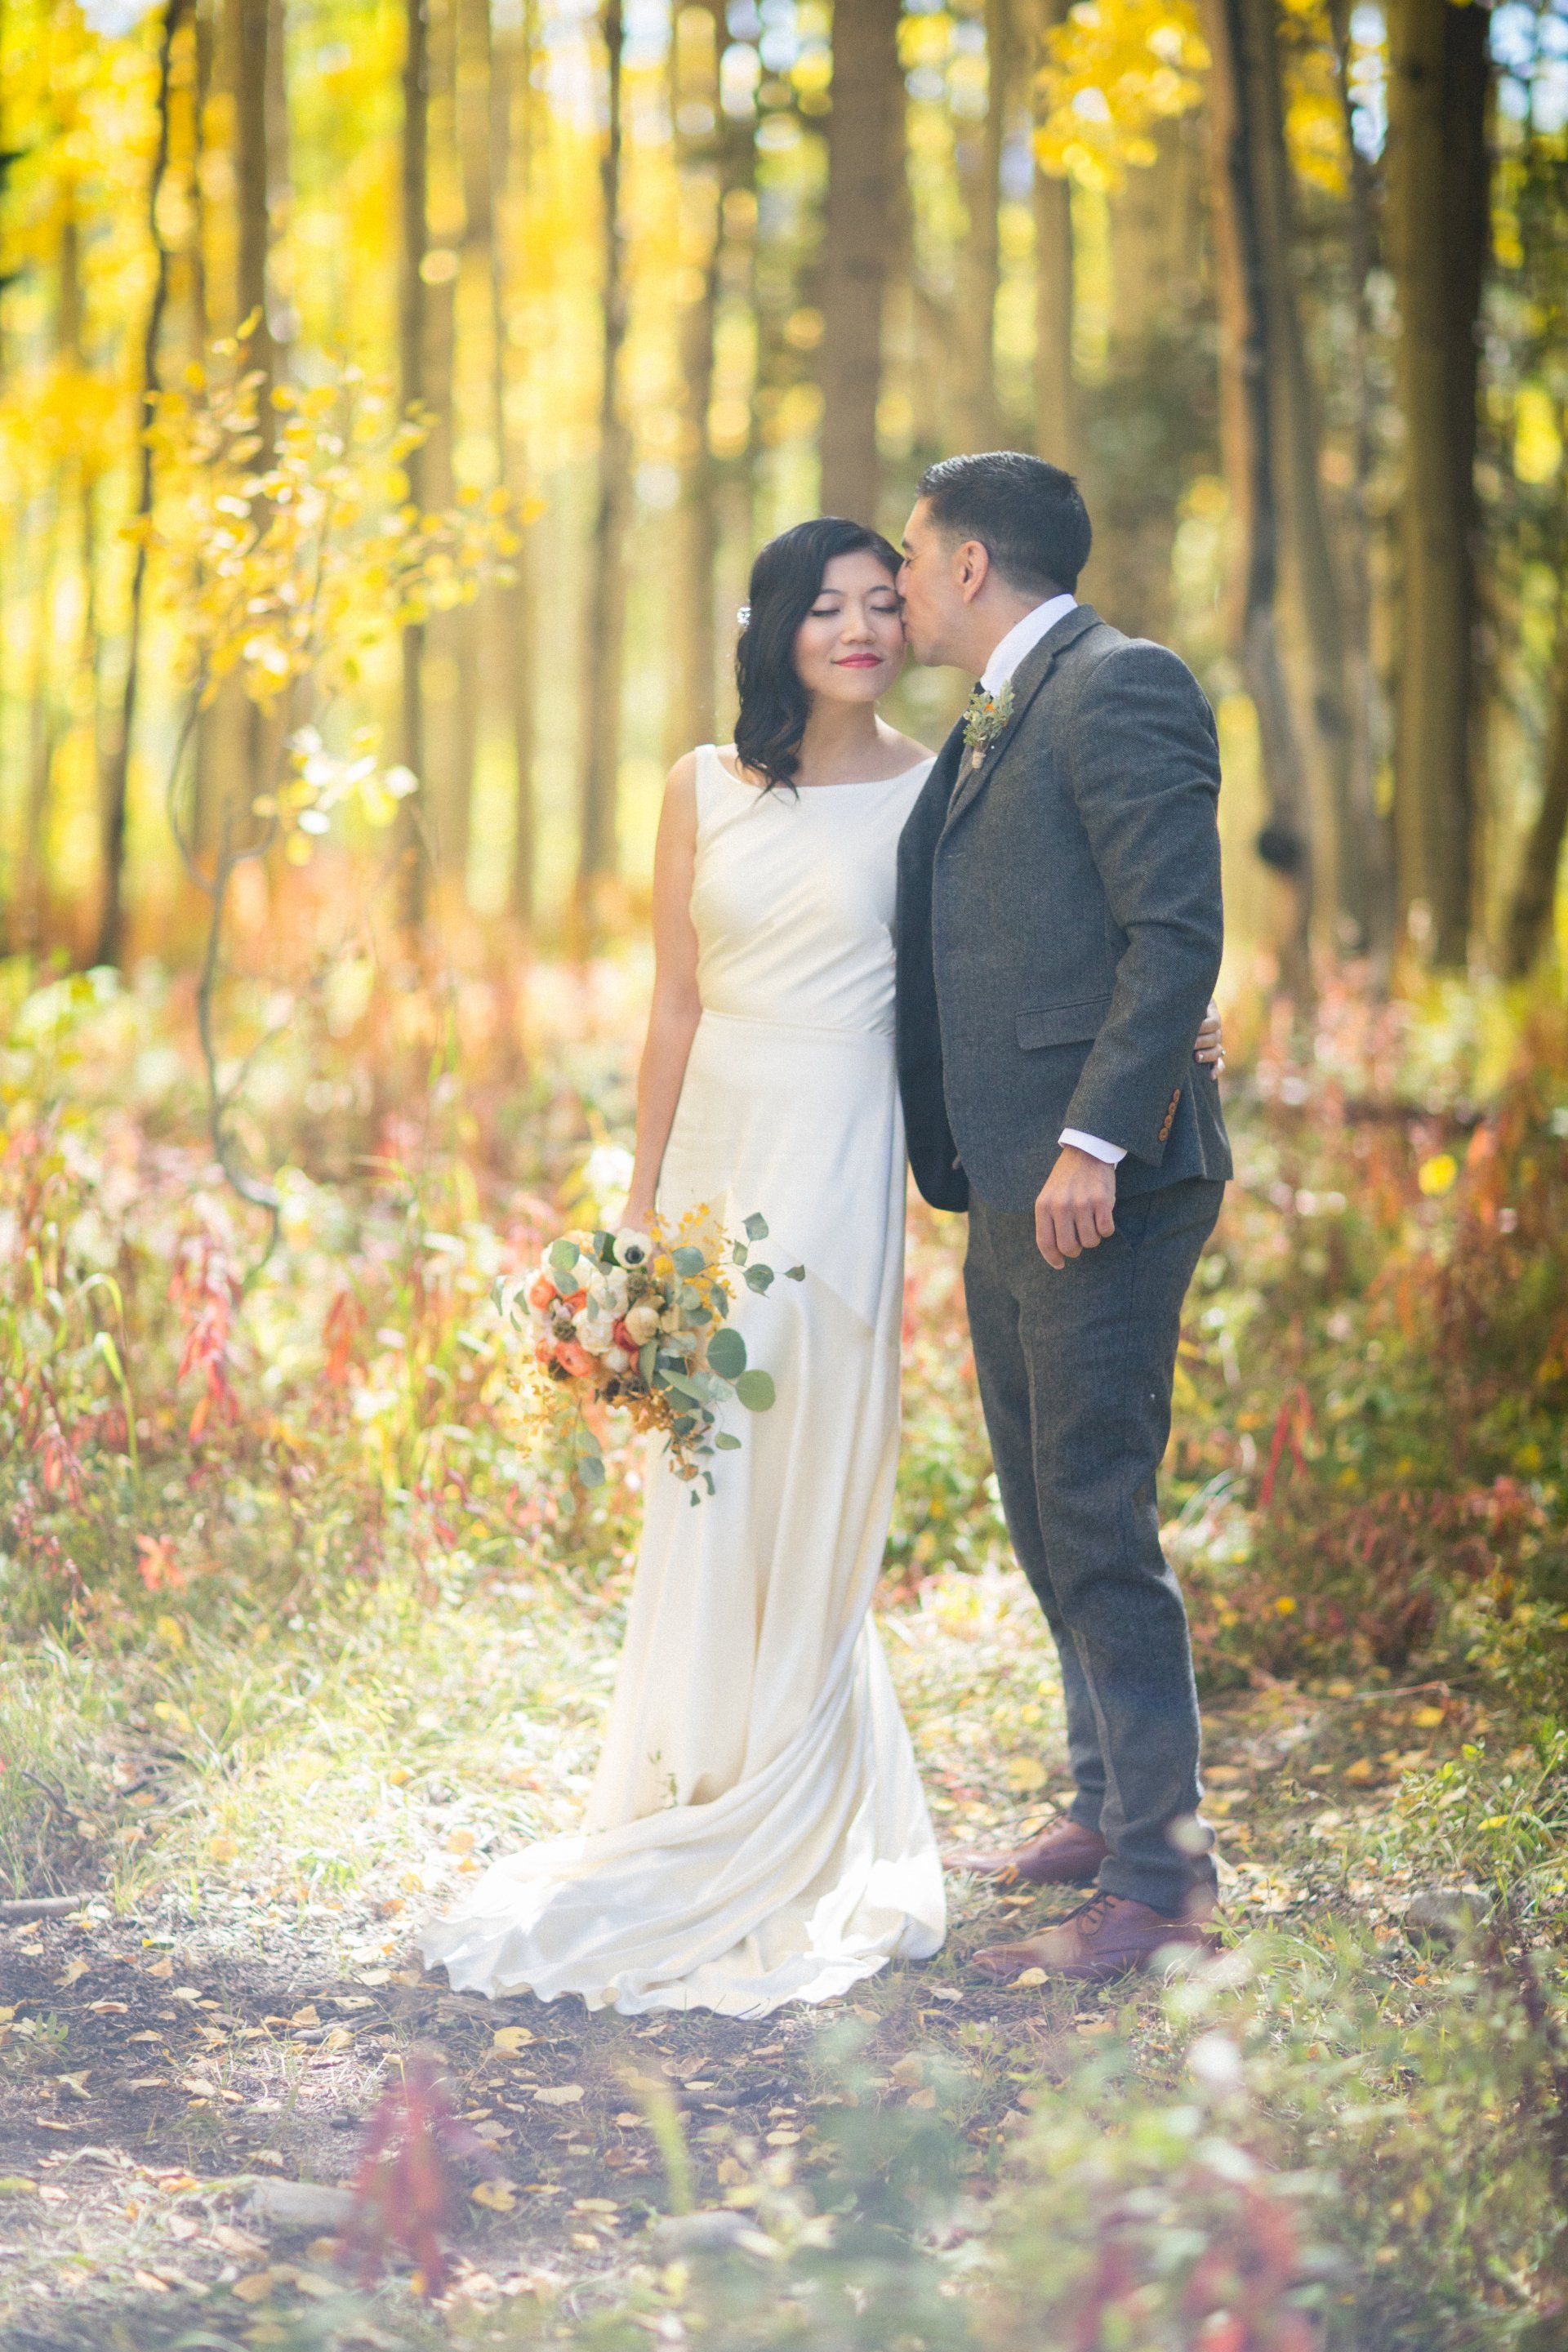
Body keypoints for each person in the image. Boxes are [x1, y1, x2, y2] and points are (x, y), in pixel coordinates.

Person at [419, 510, 1224, 2019]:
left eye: (884, 596)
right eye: (830, 606)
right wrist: (641, 1200)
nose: (861, 626)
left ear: (931, 598)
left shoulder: (936, 791)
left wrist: (1173, 1026)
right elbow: (672, 1002)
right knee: (710, 1471)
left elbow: (1032, 940)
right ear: (776, 626)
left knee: (822, 1459)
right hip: (722, 1144)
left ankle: (808, 1783)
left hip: (848, 1150)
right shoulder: (700, 788)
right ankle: (694, 1766)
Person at [894, 452, 1232, 1984]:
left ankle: (1166, 1881)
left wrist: (1099, 1136)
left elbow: (1176, 930)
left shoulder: (1121, 685)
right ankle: (1105, 1802)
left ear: (970, 566)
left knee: (1095, 1507)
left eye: (909, 559)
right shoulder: (988, 721)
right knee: (1043, 1502)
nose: (898, 587)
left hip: (1105, 1177)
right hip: (1011, 1173)